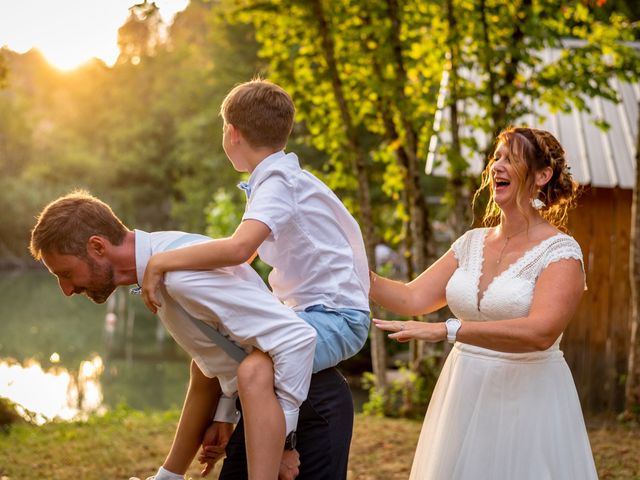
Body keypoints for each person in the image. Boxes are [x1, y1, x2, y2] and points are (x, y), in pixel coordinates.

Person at [141, 79, 370, 479]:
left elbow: (238, 249)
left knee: (255, 369)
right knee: (216, 362)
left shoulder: (278, 182)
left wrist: (162, 262)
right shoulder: (281, 177)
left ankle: (285, 448)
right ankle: (186, 459)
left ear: (232, 133)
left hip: (336, 318)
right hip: (318, 311)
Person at [28, 191, 328, 480]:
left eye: (66, 274)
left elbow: (295, 338)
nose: (67, 290)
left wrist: (285, 442)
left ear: (97, 247)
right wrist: (226, 411)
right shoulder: (164, 264)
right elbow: (224, 351)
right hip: (266, 403)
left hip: (305, 403)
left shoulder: (181, 277)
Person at [370, 126, 598, 479]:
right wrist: (349, 269)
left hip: (529, 399)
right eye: (496, 158)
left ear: (542, 175)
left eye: (512, 158)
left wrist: (448, 330)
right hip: (464, 391)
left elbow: (540, 332)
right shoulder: (470, 242)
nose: (497, 167)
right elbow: (410, 296)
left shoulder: (561, 252)